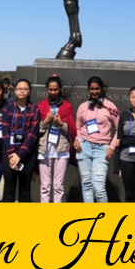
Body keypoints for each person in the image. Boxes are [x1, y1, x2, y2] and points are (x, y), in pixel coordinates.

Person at [75, 76, 120, 203]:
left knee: (99, 188)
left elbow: (119, 129)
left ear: (101, 89)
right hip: (84, 147)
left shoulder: (110, 106)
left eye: (97, 89)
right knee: (86, 184)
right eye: (92, 89)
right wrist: (77, 139)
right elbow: (78, 127)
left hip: (102, 149)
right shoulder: (83, 107)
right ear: (88, 90)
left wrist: (111, 147)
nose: (94, 91)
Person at [36, 75, 75, 203]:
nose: (53, 92)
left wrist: (60, 123)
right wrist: (46, 121)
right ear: (47, 90)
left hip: (61, 150)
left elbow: (71, 129)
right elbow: (37, 130)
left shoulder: (67, 106)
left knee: (58, 186)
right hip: (45, 149)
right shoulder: (41, 106)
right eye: (50, 90)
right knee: (45, 186)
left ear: (60, 89)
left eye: (55, 89)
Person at [2, 78, 41, 202]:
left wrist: (20, 154)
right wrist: (11, 154)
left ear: (29, 91)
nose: (22, 91)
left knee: (25, 190)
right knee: (9, 189)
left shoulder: (34, 109)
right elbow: (5, 132)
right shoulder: (8, 108)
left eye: (25, 89)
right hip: (9, 153)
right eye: (19, 89)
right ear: (14, 90)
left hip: (27, 155)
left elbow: (33, 134)